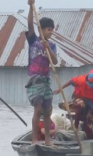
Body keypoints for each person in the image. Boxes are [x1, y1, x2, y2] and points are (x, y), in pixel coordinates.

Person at [26, 0, 58, 146]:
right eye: (48, 29)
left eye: (52, 30)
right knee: (37, 108)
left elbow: (55, 62)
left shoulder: (51, 45)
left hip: (46, 79)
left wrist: (48, 49)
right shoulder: (33, 40)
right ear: (41, 30)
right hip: (35, 79)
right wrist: (31, 7)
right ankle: (34, 140)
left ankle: (47, 140)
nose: (51, 32)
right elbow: (30, 24)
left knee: (48, 109)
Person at [54, 70, 93, 137]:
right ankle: (75, 126)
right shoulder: (81, 80)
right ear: (87, 81)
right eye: (91, 83)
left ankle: (87, 134)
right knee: (80, 105)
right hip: (81, 98)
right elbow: (71, 81)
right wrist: (60, 89)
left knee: (88, 125)